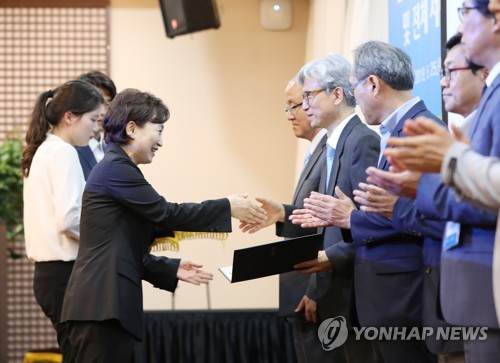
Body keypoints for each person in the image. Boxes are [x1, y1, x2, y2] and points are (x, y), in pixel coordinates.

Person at [60, 89, 268, 363]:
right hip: (100, 306)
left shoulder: (117, 166)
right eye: (158, 130)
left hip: (102, 306)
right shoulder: (116, 168)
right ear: (132, 128)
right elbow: (166, 213)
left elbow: (123, 245)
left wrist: (170, 267)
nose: (161, 141)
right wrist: (227, 206)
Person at [290, 41, 440, 363]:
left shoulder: (416, 133)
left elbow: (428, 215)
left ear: (372, 83)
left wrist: (350, 218)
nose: (353, 95)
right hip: (383, 299)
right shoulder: (393, 133)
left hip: (403, 298)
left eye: (354, 85)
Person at [367, 2, 500, 361]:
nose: (442, 80)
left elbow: (488, 197)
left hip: (484, 292)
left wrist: (423, 187)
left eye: (465, 10)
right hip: (466, 298)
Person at [242, 77, 328, 362]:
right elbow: (309, 218)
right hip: (300, 292)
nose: (290, 114)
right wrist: (283, 213)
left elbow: (331, 228)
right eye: (287, 107)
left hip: (317, 292)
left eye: (295, 105)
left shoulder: (333, 151)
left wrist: (317, 289)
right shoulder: (314, 151)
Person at [22, 80, 104, 363]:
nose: (95, 128)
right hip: (64, 274)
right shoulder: (64, 152)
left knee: (75, 352)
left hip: (50, 275)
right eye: (93, 119)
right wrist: (108, 237)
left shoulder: (44, 149)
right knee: (83, 355)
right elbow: (69, 219)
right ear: (69, 117)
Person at [75, 71, 117, 180]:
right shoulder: (69, 150)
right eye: (97, 103)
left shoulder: (112, 149)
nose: (103, 112)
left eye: (108, 104)